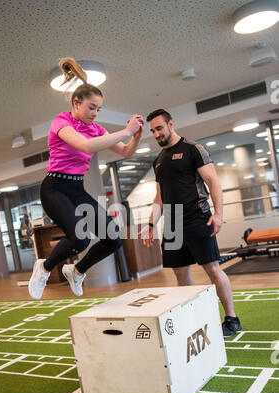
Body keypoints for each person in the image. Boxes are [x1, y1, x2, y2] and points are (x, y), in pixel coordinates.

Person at [29, 57, 143, 299]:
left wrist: (135, 136)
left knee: (113, 239)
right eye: (92, 107)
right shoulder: (61, 121)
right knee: (79, 239)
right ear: (76, 102)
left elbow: (125, 151)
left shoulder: (96, 128)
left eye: (98, 109)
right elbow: (86, 146)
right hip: (55, 188)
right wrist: (125, 131)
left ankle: (77, 270)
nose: (95, 113)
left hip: (77, 189)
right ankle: (44, 267)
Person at [140, 109, 241, 338]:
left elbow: (213, 181)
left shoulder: (193, 149)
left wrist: (217, 213)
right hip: (172, 222)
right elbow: (159, 197)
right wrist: (150, 224)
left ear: (170, 124)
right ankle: (193, 316)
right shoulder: (158, 161)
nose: (156, 134)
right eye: (153, 131)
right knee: (180, 272)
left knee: (212, 268)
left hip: (197, 216)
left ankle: (232, 319)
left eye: (159, 128)